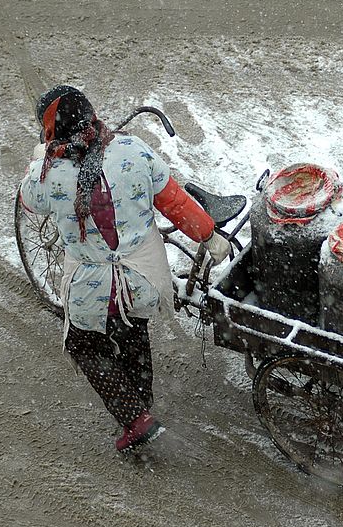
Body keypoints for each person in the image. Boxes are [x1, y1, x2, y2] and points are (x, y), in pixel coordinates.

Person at [18, 85, 231, 452]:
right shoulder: (133, 150)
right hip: (143, 278)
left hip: (93, 285)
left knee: (84, 345)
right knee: (134, 332)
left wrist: (40, 159)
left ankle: (136, 420)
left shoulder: (48, 176)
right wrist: (209, 237)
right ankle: (142, 401)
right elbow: (174, 202)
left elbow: (27, 201)